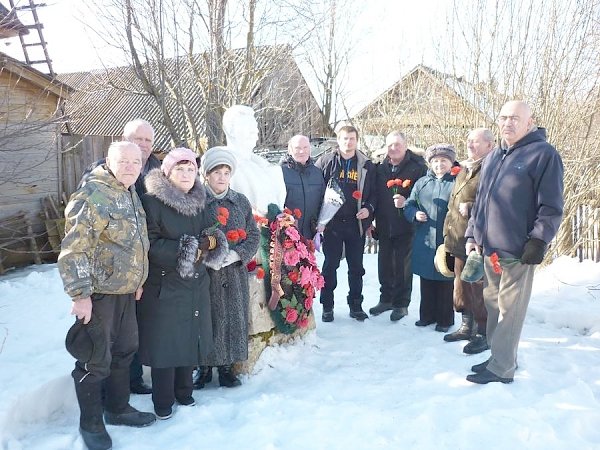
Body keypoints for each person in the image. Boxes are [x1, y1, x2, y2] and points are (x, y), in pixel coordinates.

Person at [58, 141, 155, 450]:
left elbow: (136, 243)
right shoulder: (93, 195)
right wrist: (80, 295)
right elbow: (74, 249)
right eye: (123, 161)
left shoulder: (130, 193)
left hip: (127, 292)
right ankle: (91, 423)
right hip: (99, 294)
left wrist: (138, 280)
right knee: (94, 357)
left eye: (136, 162)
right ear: (109, 162)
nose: (130, 166)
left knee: (125, 351)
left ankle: (117, 408)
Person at [465, 101, 564, 384]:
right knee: (494, 306)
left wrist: (539, 239)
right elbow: (481, 201)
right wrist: (473, 234)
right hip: (489, 249)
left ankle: (502, 368)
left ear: (530, 121)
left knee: (510, 311)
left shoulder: (543, 155)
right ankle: (500, 357)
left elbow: (552, 205)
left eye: (515, 118)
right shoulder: (495, 155)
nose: (508, 123)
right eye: (503, 117)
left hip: (518, 251)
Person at [137, 148, 228, 419]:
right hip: (166, 285)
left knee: (190, 339)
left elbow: (211, 231)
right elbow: (150, 244)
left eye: (190, 169)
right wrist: (189, 247)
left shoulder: (199, 199)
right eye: (180, 169)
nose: (186, 174)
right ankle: (163, 401)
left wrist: (212, 241)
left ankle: (184, 392)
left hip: (196, 284)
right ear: (167, 172)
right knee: (166, 345)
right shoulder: (151, 202)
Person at [79, 119, 161, 395]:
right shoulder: (97, 178)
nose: (144, 146)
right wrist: (79, 291)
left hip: (137, 270)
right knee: (101, 342)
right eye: (138, 139)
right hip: (106, 276)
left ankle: (129, 384)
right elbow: (80, 240)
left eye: (148, 141)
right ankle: (100, 402)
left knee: (130, 336)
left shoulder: (155, 169)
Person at [194, 146, 261, 388]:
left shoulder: (240, 201)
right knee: (208, 319)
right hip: (206, 274)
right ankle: (203, 368)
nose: (221, 177)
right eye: (216, 172)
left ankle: (226, 368)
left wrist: (236, 254)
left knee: (232, 318)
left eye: (226, 172)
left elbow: (253, 235)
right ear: (207, 175)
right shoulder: (197, 201)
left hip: (233, 273)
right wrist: (208, 256)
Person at [315, 125, 376, 322]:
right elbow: (316, 190)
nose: (348, 142)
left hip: (355, 224)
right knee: (330, 266)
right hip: (332, 225)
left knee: (356, 267)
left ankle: (356, 305)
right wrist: (320, 220)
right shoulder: (325, 162)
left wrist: (369, 209)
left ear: (356, 140)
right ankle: (327, 306)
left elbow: (375, 194)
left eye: (351, 138)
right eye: (344, 138)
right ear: (338, 140)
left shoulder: (366, 164)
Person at [442, 128, 494, 354]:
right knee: (461, 286)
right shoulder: (465, 168)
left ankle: (483, 332)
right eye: (468, 141)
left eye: (475, 142)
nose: (470, 145)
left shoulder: (491, 168)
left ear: (489, 145)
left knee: (478, 287)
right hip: (458, 238)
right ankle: (466, 325)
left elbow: (494, 202)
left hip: (478, 239)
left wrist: (472, 207)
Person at [369, 131, 427, 321]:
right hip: (384, 224)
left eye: (397, 145)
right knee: (384, 264)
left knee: (403, 266)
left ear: (405, 145)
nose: (393, 149)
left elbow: (423, 195)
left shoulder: (417, 167)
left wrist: (407, 200)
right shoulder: (380, 167)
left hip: (406, 225)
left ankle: (401, 304)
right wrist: (370, 220)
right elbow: (374, 194)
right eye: (390, 145)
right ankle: (386, 299)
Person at [403, 144, 456, 332]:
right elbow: (409, 204)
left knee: (445, 279)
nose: (439, 165)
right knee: (426, 279)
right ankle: (426, 316)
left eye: (443, 161)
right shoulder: (422, 183)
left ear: (451, 162)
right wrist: (414, 214)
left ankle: (444, 319)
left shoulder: (456, 183)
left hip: (447, 240)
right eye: (435, 161)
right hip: (424, 239)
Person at [223, 105, 286, 215]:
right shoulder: (225, 167)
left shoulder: (266, 168)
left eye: (255, 126)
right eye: (247, 126)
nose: (255, 131)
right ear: (230, 130)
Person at [280, 134, 326, 239]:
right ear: (290, 150)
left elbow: (322, 201)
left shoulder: (317, 173)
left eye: (305, 147)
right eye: (298, 148)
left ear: (310, 149)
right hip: (287, 235)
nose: (302, 151)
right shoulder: (280, 172)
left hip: (310, 234)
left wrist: (321, 222)